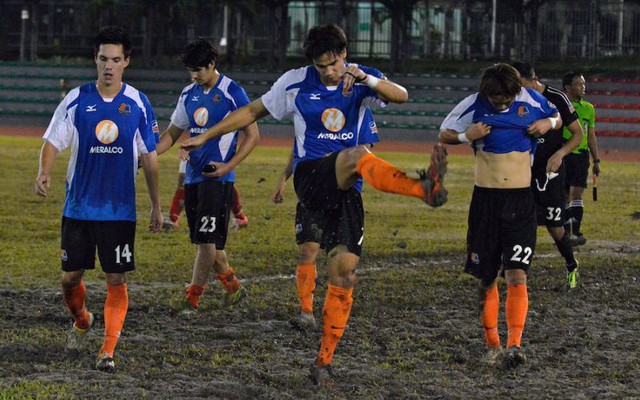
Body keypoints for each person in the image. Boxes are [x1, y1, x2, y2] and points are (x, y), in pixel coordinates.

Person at [181, 24, 448, 386]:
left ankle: (323, 362)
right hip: (311, 177)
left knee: (344, 272)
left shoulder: (359, 80)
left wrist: (366, 79)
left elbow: (400, 95)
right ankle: (422, 190)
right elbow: (251, 112)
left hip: (346, 192)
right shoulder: (295, 82)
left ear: (344, 54)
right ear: (313, 63)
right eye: (322, 66)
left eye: (335, 63)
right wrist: (207, 136)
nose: (330, 71)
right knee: (356, 156)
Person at [34, 26, 163, 373]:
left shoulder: (137, 103)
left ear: (127, 62)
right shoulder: (77, 99)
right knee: (69, 279)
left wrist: (155, 204)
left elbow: (149, 157)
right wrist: (44, 170)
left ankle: (107, 350)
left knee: (116, 279)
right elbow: (52, 140)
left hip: (119, 210)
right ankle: (81, 318)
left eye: (116, 60)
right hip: (78, 207)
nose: (109, 66)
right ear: (96, 59)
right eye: (103, 59)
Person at [439, 63, 561, 367]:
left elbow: (557, 116)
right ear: (486, 92)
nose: (503, 103)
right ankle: (492, 343)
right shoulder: (473, 103)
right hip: (486, 203)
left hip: (520, 202)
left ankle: (515, 345)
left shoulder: (529, 100)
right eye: (497, 100)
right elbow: (444, 133)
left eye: (507, 98)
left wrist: (549, 125)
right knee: (486, 278)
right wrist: (468, 136)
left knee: (517, 274)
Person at [156, 38, 258, 311]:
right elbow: (173, 133)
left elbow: (252, 135)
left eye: (199, 69)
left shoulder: (232, 91)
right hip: (193, 177)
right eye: (190, 70)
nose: (194, 75)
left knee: (205, 240)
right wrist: (152, 153)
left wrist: (228, 167)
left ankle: (192, 298)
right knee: (206, 240)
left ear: (212, 64)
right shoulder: (188, 94)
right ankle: (233, 287)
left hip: (218, 178)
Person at [511, 61, 583, 289]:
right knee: (523, 221)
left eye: (519, 84)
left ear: (532, 79)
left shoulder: (557, 98)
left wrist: (560, 153)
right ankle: (519, 271)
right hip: (524, 171)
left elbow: (578, 134)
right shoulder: (516, 100)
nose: (516, 89)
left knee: (555, 227)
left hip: (550, 174)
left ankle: (571, 265)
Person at [164, 149, 249, 231]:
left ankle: (239, 217)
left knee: (221, 181)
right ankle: (173, 219)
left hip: (216, 146)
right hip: (195, 145)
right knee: (183, 179)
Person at [561, 72, 601, 246]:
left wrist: (596, 160)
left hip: (581, 156)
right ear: (567, 88)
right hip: (563, 153)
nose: (583, 87)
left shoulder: (589, 108)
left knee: (577, 192)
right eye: (579, 84)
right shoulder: (560, 107)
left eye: (583, 84)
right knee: (564, 195)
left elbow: (591, 135)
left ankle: (575, 231)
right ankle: (565, 232)